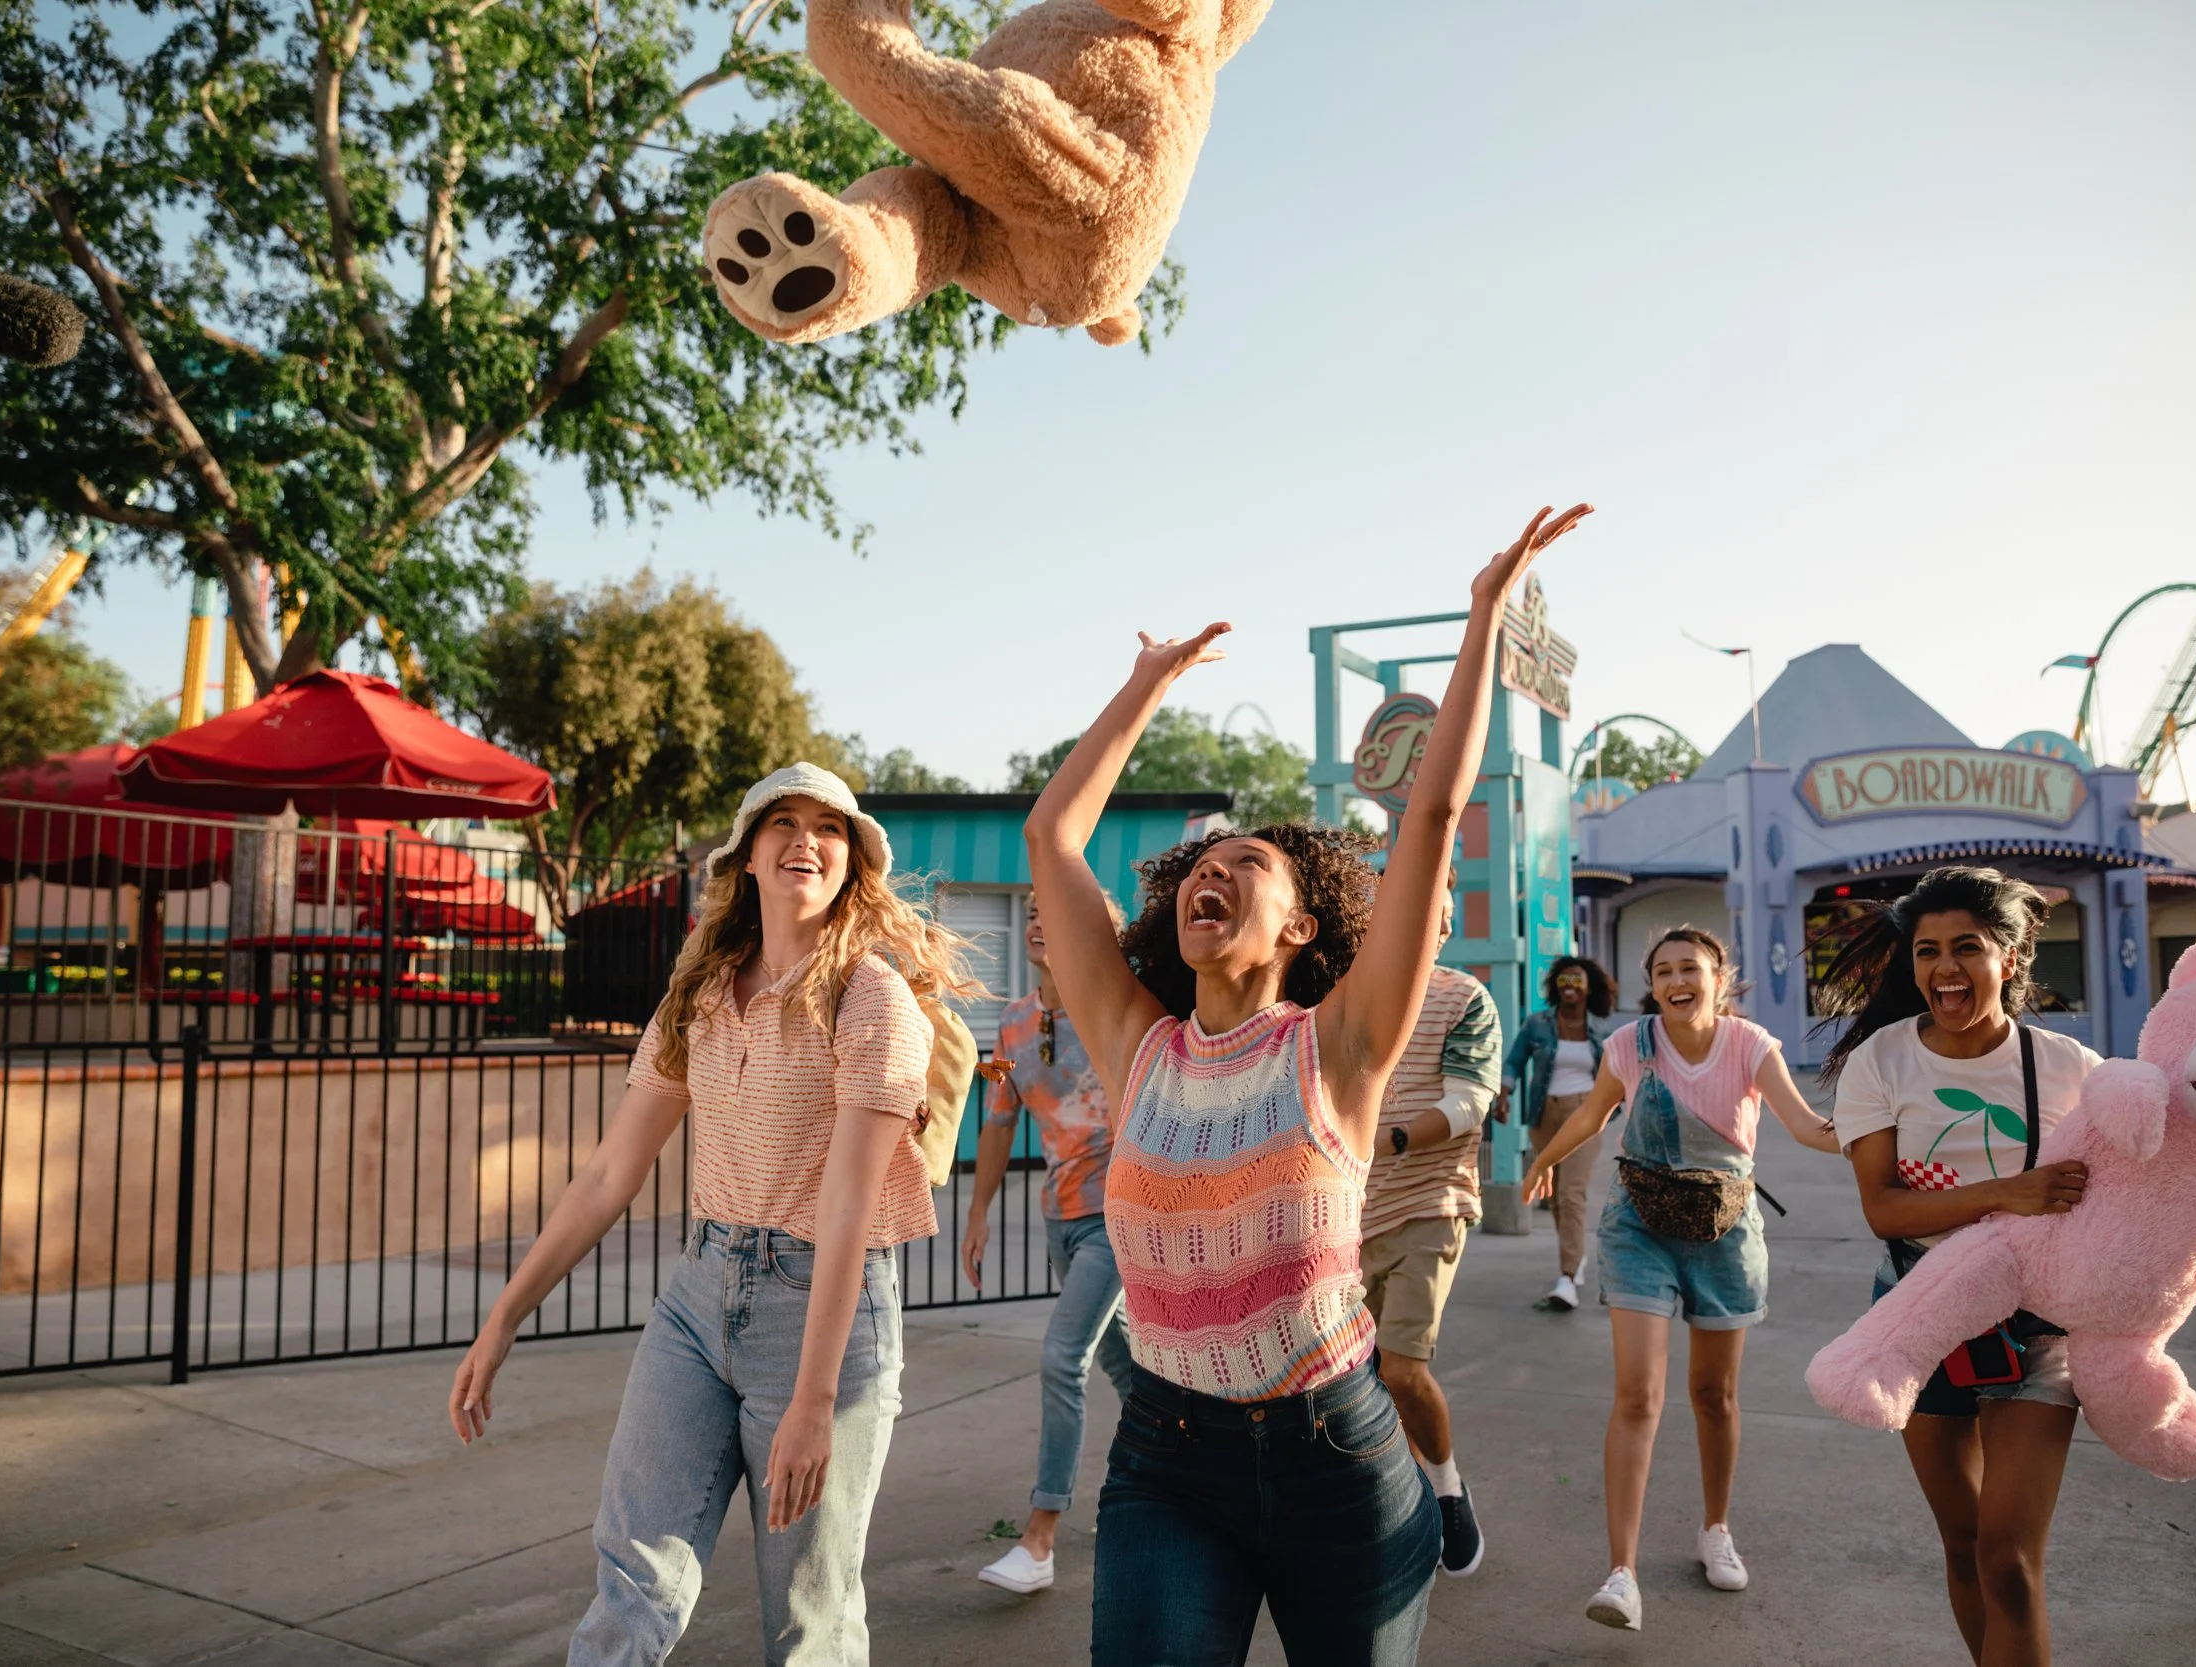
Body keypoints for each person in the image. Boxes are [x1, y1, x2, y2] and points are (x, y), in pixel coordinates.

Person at [1027, 502, 1592, 1667]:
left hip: (1337, 1458)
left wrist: (1483, 618)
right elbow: (1053, 837)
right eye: (1203, 865)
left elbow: (1433, 809)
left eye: (1251, 866)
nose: (1215, 874)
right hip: (1166, 1461)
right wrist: (1146, 682)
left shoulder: (1338, 1049)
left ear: (1301, 926)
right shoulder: (1140, 1046)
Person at [445, 764, 974, 1666]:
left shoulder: (871, 999)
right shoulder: (698, 995)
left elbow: (847, 1206)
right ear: (748, 855)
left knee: (807, 1619)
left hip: (822, 1319)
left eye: (829, 827)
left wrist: (813, 1399)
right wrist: (504, 1316)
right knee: (629, 1579)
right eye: (784, 823)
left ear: (851, 862)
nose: (806, 839)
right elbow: (612, 1170)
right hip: (696, 1299)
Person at [1818, 866, 2196, 1667]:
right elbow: (1885, 1208)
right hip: (1923, 1312)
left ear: (2008, 958)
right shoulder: (1882, 1062)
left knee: (2010, 1563)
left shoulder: (2070, 1066)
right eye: (1928, 950)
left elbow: (2144, 1180)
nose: (1944, 969)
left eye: (1967, 948)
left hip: (2041, 1326)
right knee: (1964, 1540)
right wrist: (2010, 1193)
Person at [1521, 925, 1840, 1632]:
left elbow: (1810, 1124)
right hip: (1639, 1229)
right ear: (1653, 982)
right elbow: (1594, 1113)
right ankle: (1622, 1572)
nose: (1676, 979)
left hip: (1725, 1235)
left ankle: (1715, 1527)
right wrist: (1543, 1158)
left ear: (1717, 975)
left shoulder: (1750, 1045)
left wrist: (1882, 1134)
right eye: (1663, 970)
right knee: (1638, 1395)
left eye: (1689, 966)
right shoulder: (1631, 1045)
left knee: (1714, 1396)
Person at [963, 893, 1137, 1595]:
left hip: (1118, 1216)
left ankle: (1039, 1537)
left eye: (1054, 906)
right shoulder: (1009, 1026)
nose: (1039, 914)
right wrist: (977, 1213)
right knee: (1128, 1371)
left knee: (1062, 1357)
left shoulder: (1120, 1009)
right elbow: (999, 1119)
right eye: (1031, 907)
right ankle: (1182, 1478)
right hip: (1058, 1219)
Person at [1358, 870, 1502, 1578]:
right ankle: (1395, 1494)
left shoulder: (1465, 997)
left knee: (1403, 1369)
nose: (1423, 923)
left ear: (1447, 927)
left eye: (1436, 915)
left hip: (1429, 1203)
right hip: (1343, 1215)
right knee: (1354, 1382)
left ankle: (1446, 1488)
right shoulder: (1341, 994)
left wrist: (1392, 1138)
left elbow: (1472, 1101)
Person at [1503, 955, 1616, 1309]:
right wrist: (1504, 1094)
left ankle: (1567, 1277)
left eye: (1576, 981)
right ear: (1555, 986)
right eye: (1563, 981)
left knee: (1571, 1193)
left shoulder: (1600, 1028)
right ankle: (1575, 1256)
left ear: (1588, 987)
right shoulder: (1538, 1023)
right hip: (1543, 1114)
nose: (1569, 987)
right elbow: (1514, 1061)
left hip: (1584, 1113)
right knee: (1554, 1195)